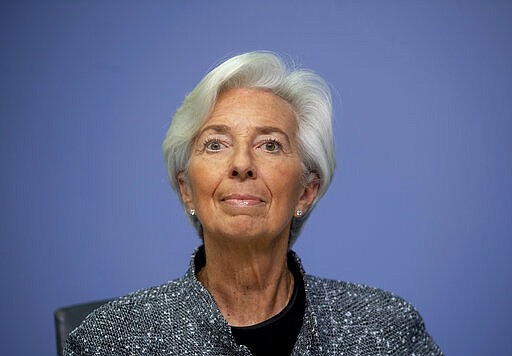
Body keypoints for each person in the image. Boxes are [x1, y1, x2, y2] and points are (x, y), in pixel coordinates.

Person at [64, 51, 443, 355]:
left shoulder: (387, 329)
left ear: (306, 192)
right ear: (186, 189)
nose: (242, 164)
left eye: (269, 145)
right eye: (216, 144)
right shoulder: (110, 342)